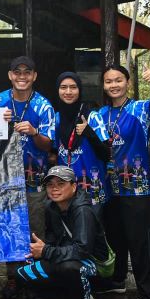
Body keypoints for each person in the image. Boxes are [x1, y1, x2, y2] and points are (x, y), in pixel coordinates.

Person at [95, 64, 150, 299]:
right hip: (111, 188)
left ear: (127, 82)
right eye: (108, 81)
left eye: (118, 80)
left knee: (139, 242)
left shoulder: (139, 109)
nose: (113, 85)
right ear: (103, 86)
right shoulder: (99, 114)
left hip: (136, 188)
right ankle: (117, 280)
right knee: (116, 237)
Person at [14, 166, 108, 299]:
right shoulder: (51, 207)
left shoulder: (83, 210)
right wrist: (43, 250)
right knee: (23, 274)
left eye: (61, 183)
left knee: (70, 268)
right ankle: (75, 297)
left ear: (73, 186)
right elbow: (52, 239)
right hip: (65, 256)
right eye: (50, 185)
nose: (54, 188)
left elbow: (82, 250)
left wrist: (47, 252)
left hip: (93, 263)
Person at [0, 55, 56, 299]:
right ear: (10, 75)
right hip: (4, 181)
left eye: (27, 72)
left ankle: (34, 280)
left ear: (34, 76)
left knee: (35, 229)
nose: (21, 76)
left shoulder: (44, 105)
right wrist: (0, 123)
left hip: (34, 180)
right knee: (10, 230)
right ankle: (13, 279)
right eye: (17, 72)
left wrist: (34, 131)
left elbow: (48, 145)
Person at [53, 72, 110, 210]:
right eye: (63, 87)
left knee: (91, 230)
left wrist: (89, 133)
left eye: (73, 87)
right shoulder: (57, 118)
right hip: (66, 192)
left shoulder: (92, 117)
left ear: (80, 90)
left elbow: (106, 154)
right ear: (58, 90)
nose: (68, 92)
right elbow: (55, 152)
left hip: (92, 192)